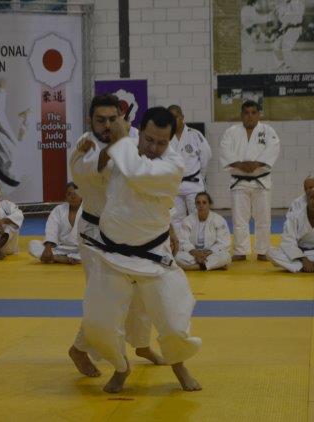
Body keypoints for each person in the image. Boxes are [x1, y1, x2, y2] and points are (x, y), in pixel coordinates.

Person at [81, 107, 202, 393]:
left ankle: (179, 366)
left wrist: (121, 140)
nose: (153, 148)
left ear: (170, 140)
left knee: (174, 323)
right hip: (111, 254)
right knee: (98, 324)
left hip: (154, 256)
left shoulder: (172, 165)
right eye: (149, 140)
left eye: (161, 143)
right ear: (141, 132)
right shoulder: (125, 146)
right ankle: (121, 366)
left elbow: (138, 174)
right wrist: (97, 143)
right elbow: (91, 168)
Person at [68, 94, 164, 379]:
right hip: (95, 233)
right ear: (90, 120)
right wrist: (121, 141)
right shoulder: (85, 145)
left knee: (142, 293)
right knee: (107, 298)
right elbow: (98, 165)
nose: (107, 125)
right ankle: (86, 351)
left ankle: (142, 344)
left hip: (129, 231)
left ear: (121, 117)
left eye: (113, 119)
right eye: (101, 120)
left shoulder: (131, 138)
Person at [219, 100, 280, 261]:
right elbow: (225, 150)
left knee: (263, 218)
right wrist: (241, 165)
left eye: (253, 113)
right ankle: (240, 250)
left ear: (258, 114)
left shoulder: (268, 131)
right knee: (239, 218)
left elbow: (273, 149)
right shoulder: (231, 132)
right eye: (246, 113)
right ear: (241, 115)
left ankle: (263, 250)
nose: (250, 116)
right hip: (239, 181)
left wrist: (256, 164)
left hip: (261, 181)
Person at [168, 105, 212, 225]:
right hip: (174, 184)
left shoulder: (194, 135)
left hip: (193, 183)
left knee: (197, 217)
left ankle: (199, 238)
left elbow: (206, 156)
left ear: (182, 117)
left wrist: (201, 176)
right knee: (175, 219)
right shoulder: (166, 137)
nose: (173, 120)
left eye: (176, 117)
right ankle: (181, 239)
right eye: (170, 118)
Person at [175, 192, 231, 271]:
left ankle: (195, 267)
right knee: (177, 256)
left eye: (204, 202)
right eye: (198, 203)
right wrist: (195, 252)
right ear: (195, 205)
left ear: (209, 204)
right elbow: (183, 241)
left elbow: (223, 242)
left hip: (210, 253)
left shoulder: (219, 220)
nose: (201, 205)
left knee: (226, 256)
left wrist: (208, 252)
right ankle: (210, 266)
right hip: (193, 254)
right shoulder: (187, 220)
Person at [28, 182, 82, 264]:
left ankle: (56, 258)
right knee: (33, 244)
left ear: (82, 194)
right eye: (69, 194)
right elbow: (52, 229)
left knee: (95, 251)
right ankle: (64, 258)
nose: (73, 196)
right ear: (65, 197)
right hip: (60, 248)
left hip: (80, 249)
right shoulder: (59, 210)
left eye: (75, 193)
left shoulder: (88, 211)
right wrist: (48, 248)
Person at [272, 0, 305, 71]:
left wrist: (280, 10)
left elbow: (295, 17)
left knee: (286, 47)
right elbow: (285, 21)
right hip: (288, 29)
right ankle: (281, 63)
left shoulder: (296, 2)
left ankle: (290, 67)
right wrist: (279, 11)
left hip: (295, 29)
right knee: (276, 45)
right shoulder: (285, 5)